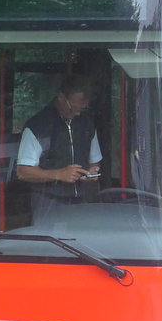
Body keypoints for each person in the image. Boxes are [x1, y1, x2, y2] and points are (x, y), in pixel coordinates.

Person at [16, 74, 102, 220]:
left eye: (82, 108)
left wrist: (92, 172)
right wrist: (59, 175)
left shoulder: (86, 124)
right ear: (61, 97)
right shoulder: (37, 127)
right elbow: (23, 171)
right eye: (73, 108)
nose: (78, 113)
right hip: (49, 202)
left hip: (83, 201)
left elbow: (95, 160)